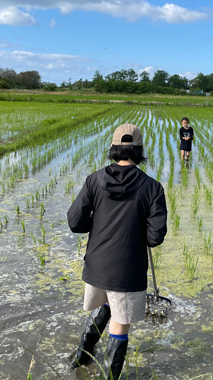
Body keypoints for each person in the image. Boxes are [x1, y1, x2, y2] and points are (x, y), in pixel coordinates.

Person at [67, 123, 167, 380]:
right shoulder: (152, 187)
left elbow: (75, 222)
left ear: (113, 148)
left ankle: (79, 358)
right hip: (127, 268)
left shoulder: (94, 180)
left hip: (97, 264)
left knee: (107, 306)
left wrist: (97, 223)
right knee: (120, 322)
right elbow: (155, 237)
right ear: (140, 150)